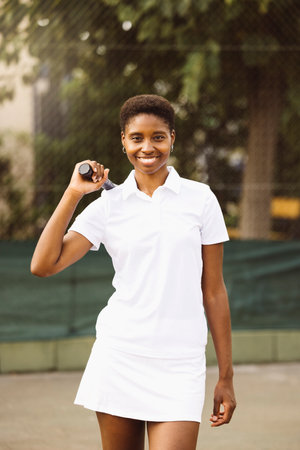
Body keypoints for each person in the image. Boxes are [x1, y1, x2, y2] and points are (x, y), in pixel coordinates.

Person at [31, 94, 236, 450]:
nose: (147, 147)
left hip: (180, 363)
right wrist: (74, 193)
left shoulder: (200, 199)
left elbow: (214, 291)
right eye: (136, 138)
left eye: (158, 136)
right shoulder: (108, 206)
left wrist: (226, 376)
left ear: (172, 137)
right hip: (120, 356)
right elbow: (43, 265)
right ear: (123, 141)